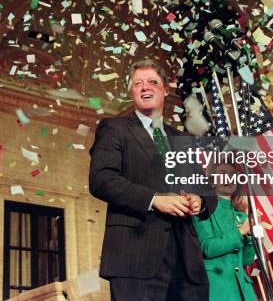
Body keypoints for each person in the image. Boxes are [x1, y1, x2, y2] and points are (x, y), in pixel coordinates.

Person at [89, 59, 217, 300]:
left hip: (186, 264)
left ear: (166, 90)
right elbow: (101, 179)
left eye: (152, 82)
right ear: (132, 92)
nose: (145, 87)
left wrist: (199, 200)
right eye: (138, 84)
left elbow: (208, 191)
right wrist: (154, 199)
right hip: (135, 259)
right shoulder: (114, 128)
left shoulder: (181, 139)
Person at [192, 162, 256, 301]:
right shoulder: (203, 210)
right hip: (219, 291)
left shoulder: (241, 216)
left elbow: (247, 260)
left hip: (243, 292)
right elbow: (206, 247)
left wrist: (251, 237)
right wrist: (240, 232)